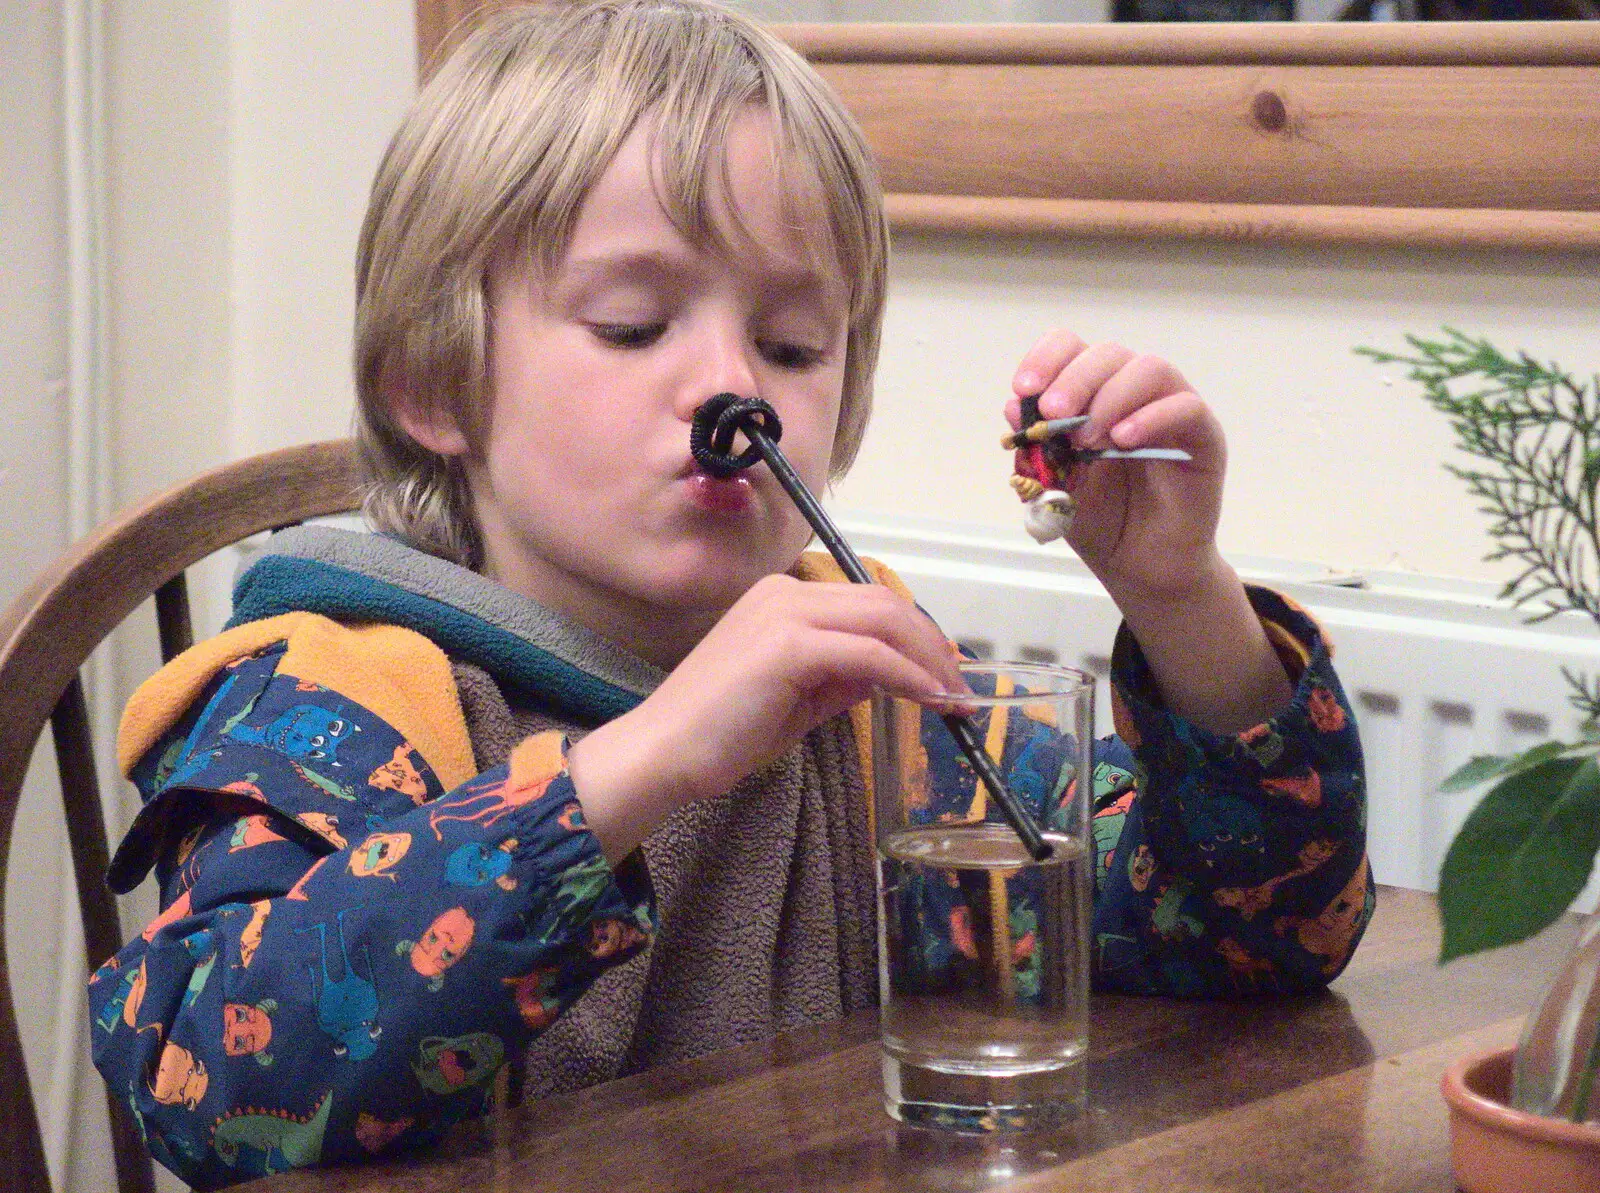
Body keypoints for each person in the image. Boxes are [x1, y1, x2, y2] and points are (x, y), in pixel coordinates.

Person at [88, 1, 1370, 1186]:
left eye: (793, 344)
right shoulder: (336, 698)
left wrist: (1179, 594)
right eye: (636, 324)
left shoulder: (866, 706)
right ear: (436, 379)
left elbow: (1250, 936)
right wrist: (645, 759)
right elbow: (211, 1088)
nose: (730, 389)